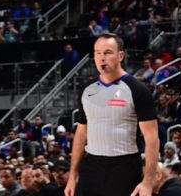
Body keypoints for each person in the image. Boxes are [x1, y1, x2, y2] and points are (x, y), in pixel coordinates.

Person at [65, 33, 158, 196]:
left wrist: (148, 182)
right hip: (91, 166)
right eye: (97, 53)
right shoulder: (87, 89)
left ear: (120, 55)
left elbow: (152, 139)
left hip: (125, 167)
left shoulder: (137, 89)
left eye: (107, 52)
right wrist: (72, 175)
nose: (102, 58)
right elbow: (81, 133)